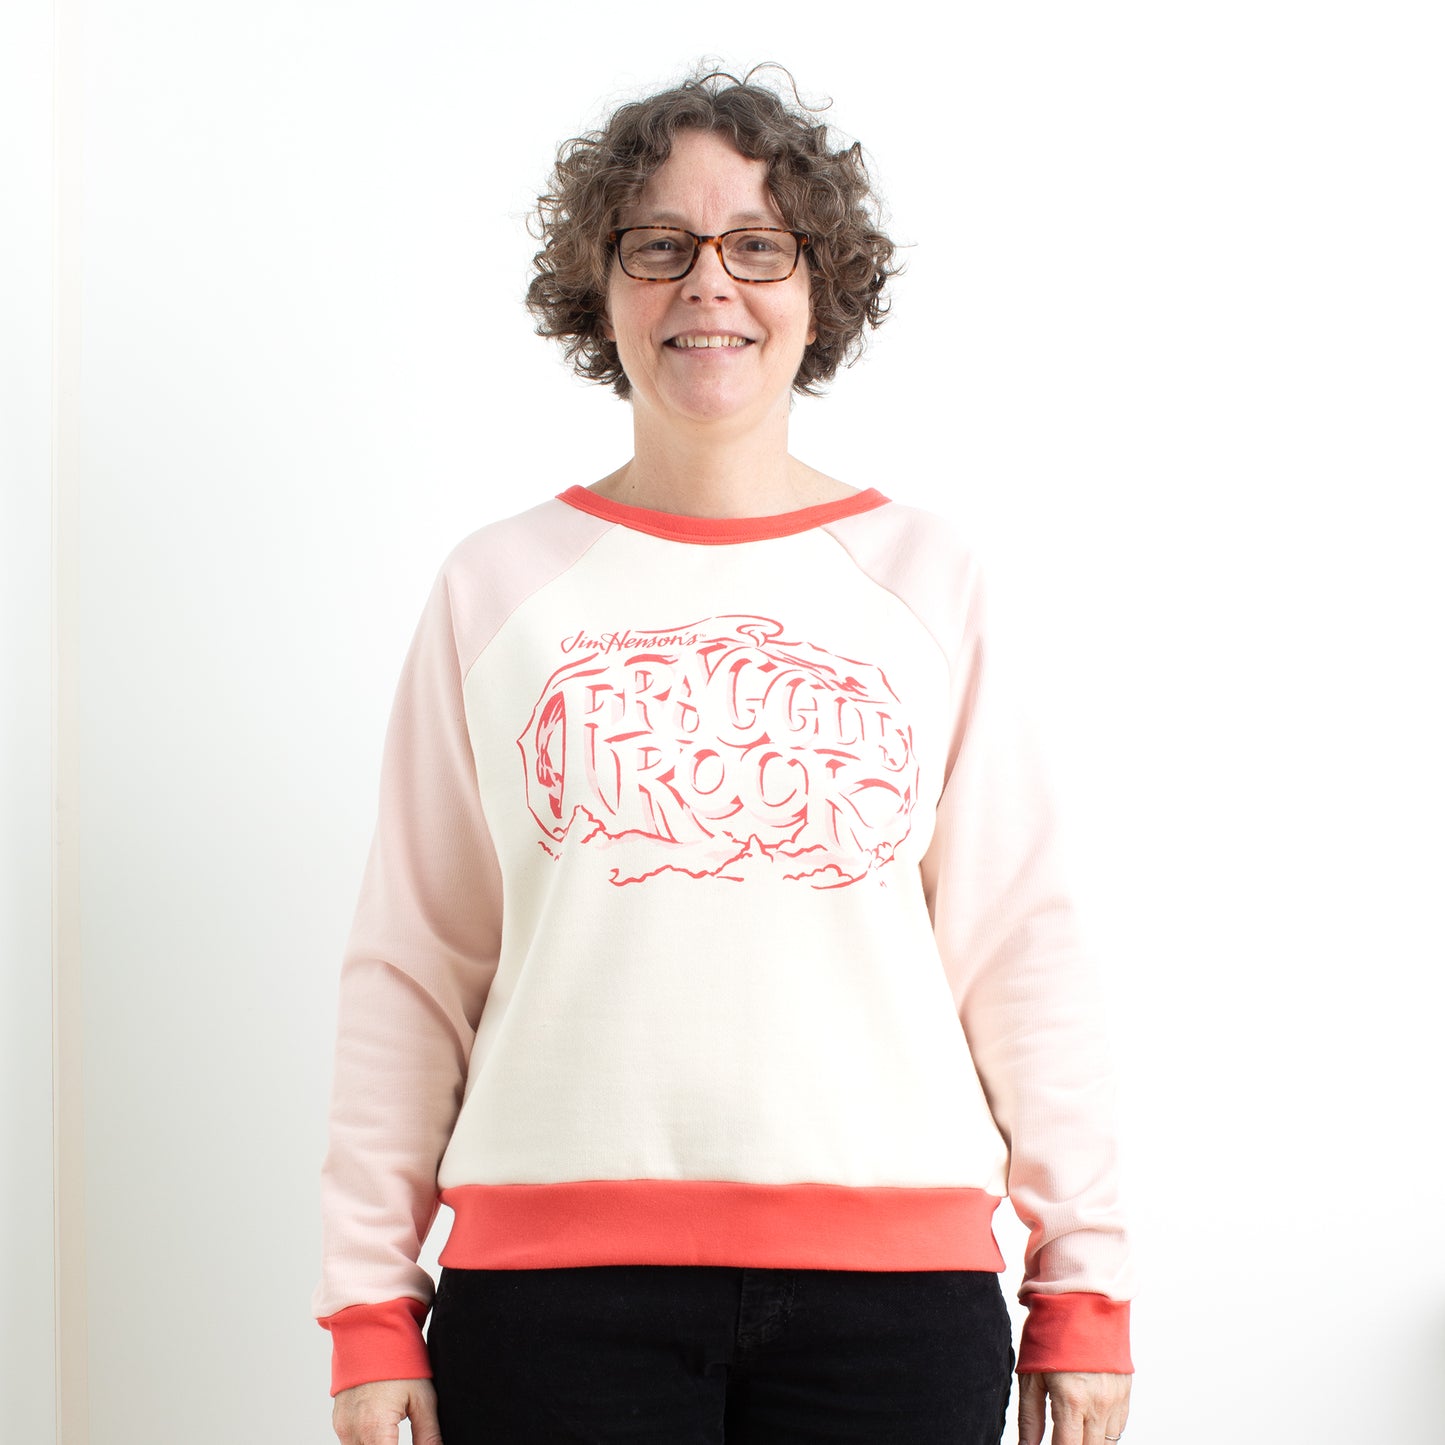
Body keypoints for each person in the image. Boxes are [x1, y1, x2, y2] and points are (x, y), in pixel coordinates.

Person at [314, 64, 1134, 1445]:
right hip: (552, 1304)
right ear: (600, 287)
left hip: (894, 1304)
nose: (709, 284)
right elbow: (415, 963)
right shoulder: (496, 586)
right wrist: (367, 1304)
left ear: (819, 286)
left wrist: (1084, 1282)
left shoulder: (928, 579)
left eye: (758, 245)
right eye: (660, 245)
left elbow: (1019, 946)